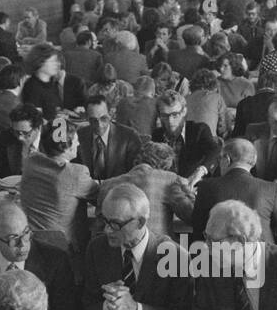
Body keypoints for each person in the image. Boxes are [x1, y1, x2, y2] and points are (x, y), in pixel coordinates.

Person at [82, 184, 190, 310]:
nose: (107, 230)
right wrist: (107, 308)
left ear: (140, 222)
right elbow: (86, 309)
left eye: (116, 224)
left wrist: (135, 309)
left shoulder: (175, 256)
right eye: (104, 220)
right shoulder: (97, 248)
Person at [19, 116, 98, 258]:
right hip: (64, 249)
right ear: (65, 146)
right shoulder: (76, 173)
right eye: (75, 139)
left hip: (29, 243)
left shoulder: (30, 162)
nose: (78, 143)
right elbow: (99, 196)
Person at [189, 139, 277, 247]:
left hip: (219, 257)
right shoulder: (271, 188)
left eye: (219, 159)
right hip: (260, 258)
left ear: (227, 159)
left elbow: (197, 226)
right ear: (254, 161)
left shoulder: (206, 186)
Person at [97, 142, 194, 242]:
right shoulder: (169, 179)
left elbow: (100, 227)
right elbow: (192, 216)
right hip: (158, 250)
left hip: (114, 250)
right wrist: (187, 188)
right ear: (165, 166)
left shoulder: (107, 184)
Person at [152, 90, 220, 183]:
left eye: (175, 114)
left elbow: (214, 150)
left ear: (184, 111)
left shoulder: (199, 130)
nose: (170, 121)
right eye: (164, 115)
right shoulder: (156, 135)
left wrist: (200, 171)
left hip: (194, 186)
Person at [77, 95, 142, 181]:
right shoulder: (79, 136)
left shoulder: (129, 137)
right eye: (93, 120)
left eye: (103, 118)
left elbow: (136, 174)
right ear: (86, 117)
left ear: (111, 114)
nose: (99, 125)